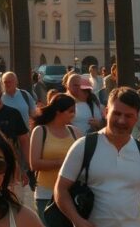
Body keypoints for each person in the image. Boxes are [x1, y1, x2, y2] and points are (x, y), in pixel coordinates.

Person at [55, 88, 140, 227]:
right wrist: (78, 220)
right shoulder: (83, 146)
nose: (121, 120)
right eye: (116, 113)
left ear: (137, 117)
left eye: (128, 116)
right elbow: (60, 189)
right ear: (106, 112)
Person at [29, 94, 82, 223]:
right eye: (70, 111)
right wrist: (62, 162)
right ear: (58, 111)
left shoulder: (75, 132)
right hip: (45, 195)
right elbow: (34, 163)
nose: (73, 115)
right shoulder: (40, 131)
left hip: (70, 195)